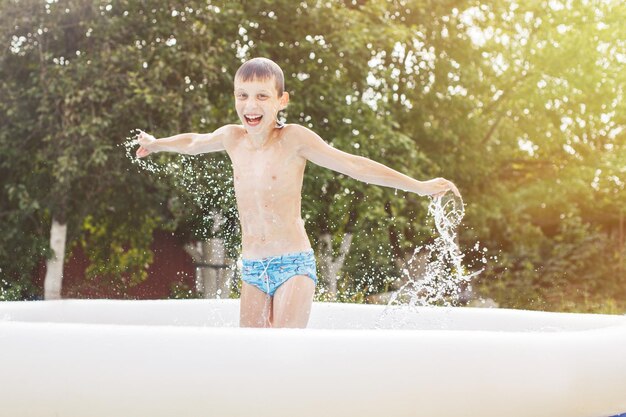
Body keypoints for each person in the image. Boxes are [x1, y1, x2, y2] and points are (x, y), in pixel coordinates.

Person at [136, 57, 460, 328]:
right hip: (252, 268)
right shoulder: (231, 138)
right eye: (242, 95)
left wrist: (419, 186)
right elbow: (193, 142)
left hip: (292, 265)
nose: (250, 105)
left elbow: (354, 165)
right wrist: (156, 143)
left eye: (262, 96)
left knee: (282, 355)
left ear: (281, 101)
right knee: (250, 356)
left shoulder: (294, 140)